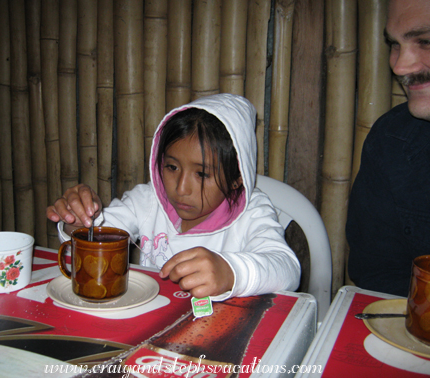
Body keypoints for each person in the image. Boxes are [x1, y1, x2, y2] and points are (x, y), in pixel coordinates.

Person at [47, 93, 300, 301]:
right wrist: (77, 221)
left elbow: (287, 268)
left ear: (237, 178)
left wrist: (230, 272)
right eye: (172, 167)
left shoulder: (252, 212)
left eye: (201, 174)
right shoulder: (146, 202)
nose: (181, 189)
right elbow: (99, 233)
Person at [346, 0, 430, 297]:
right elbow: (376, 275)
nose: (399, 65)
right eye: (395, 44)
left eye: (426, 41)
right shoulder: (392, 141)